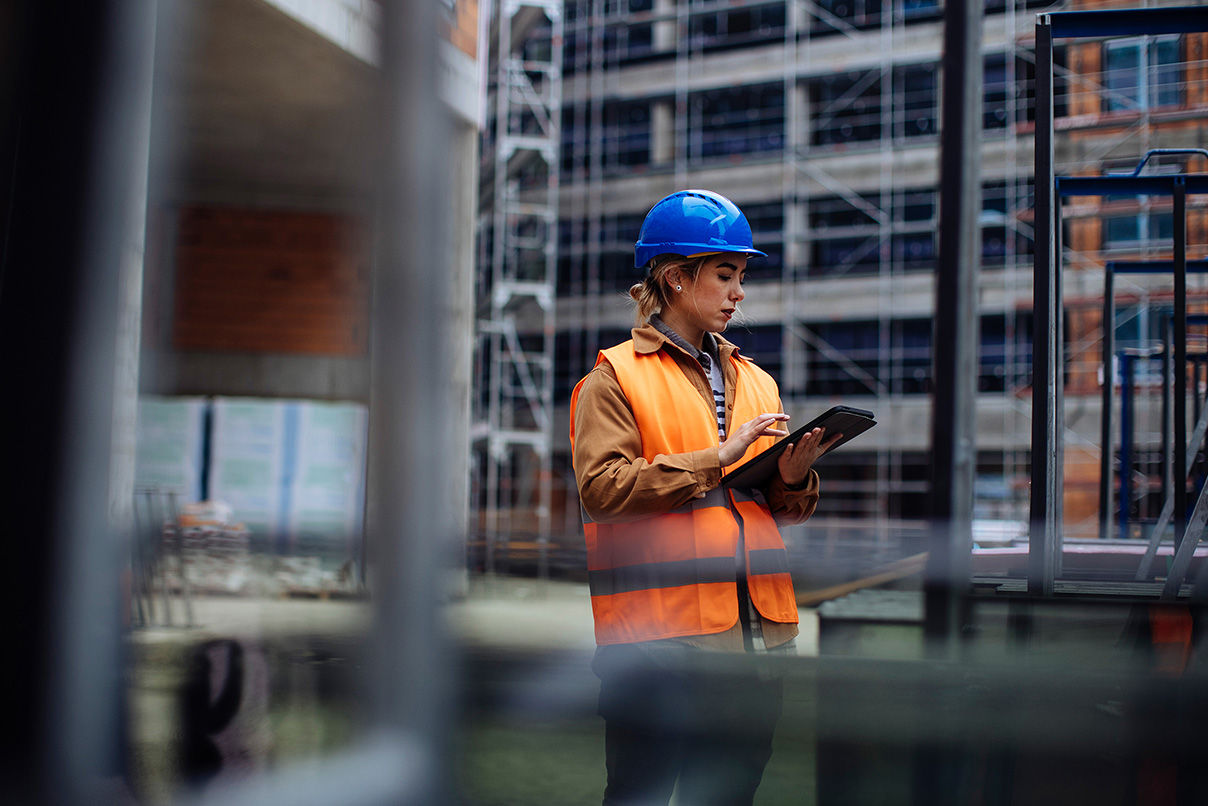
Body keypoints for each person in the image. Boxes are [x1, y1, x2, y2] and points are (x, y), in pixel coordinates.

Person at [569, 189, 839, 805]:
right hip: (658, 649)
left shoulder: (758, 380)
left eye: (741, 275)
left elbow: (776, 511)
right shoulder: (613, 378)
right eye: (725, 274)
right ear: (674, 277)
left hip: (756, 644)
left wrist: (792, 476)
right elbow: (602, 489)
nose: (739, 291)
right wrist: (713, 460)